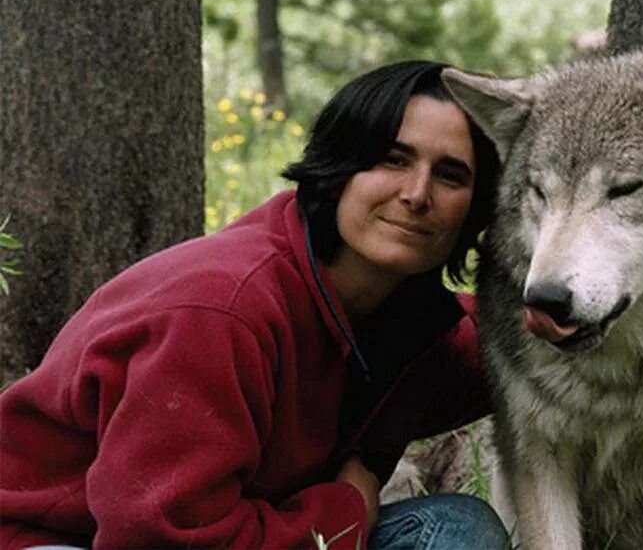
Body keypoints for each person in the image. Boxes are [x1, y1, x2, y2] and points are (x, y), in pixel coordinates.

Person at [0, 61, 507, 550]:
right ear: (339, 166)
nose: (417, 194)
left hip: (240, 527)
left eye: (451, 176)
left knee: (457, 529)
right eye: (392, 160)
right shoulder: (218, 313)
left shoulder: (405, 320)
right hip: (55, 538)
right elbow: (158, 538)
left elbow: (502, 347)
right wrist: (347, 508)